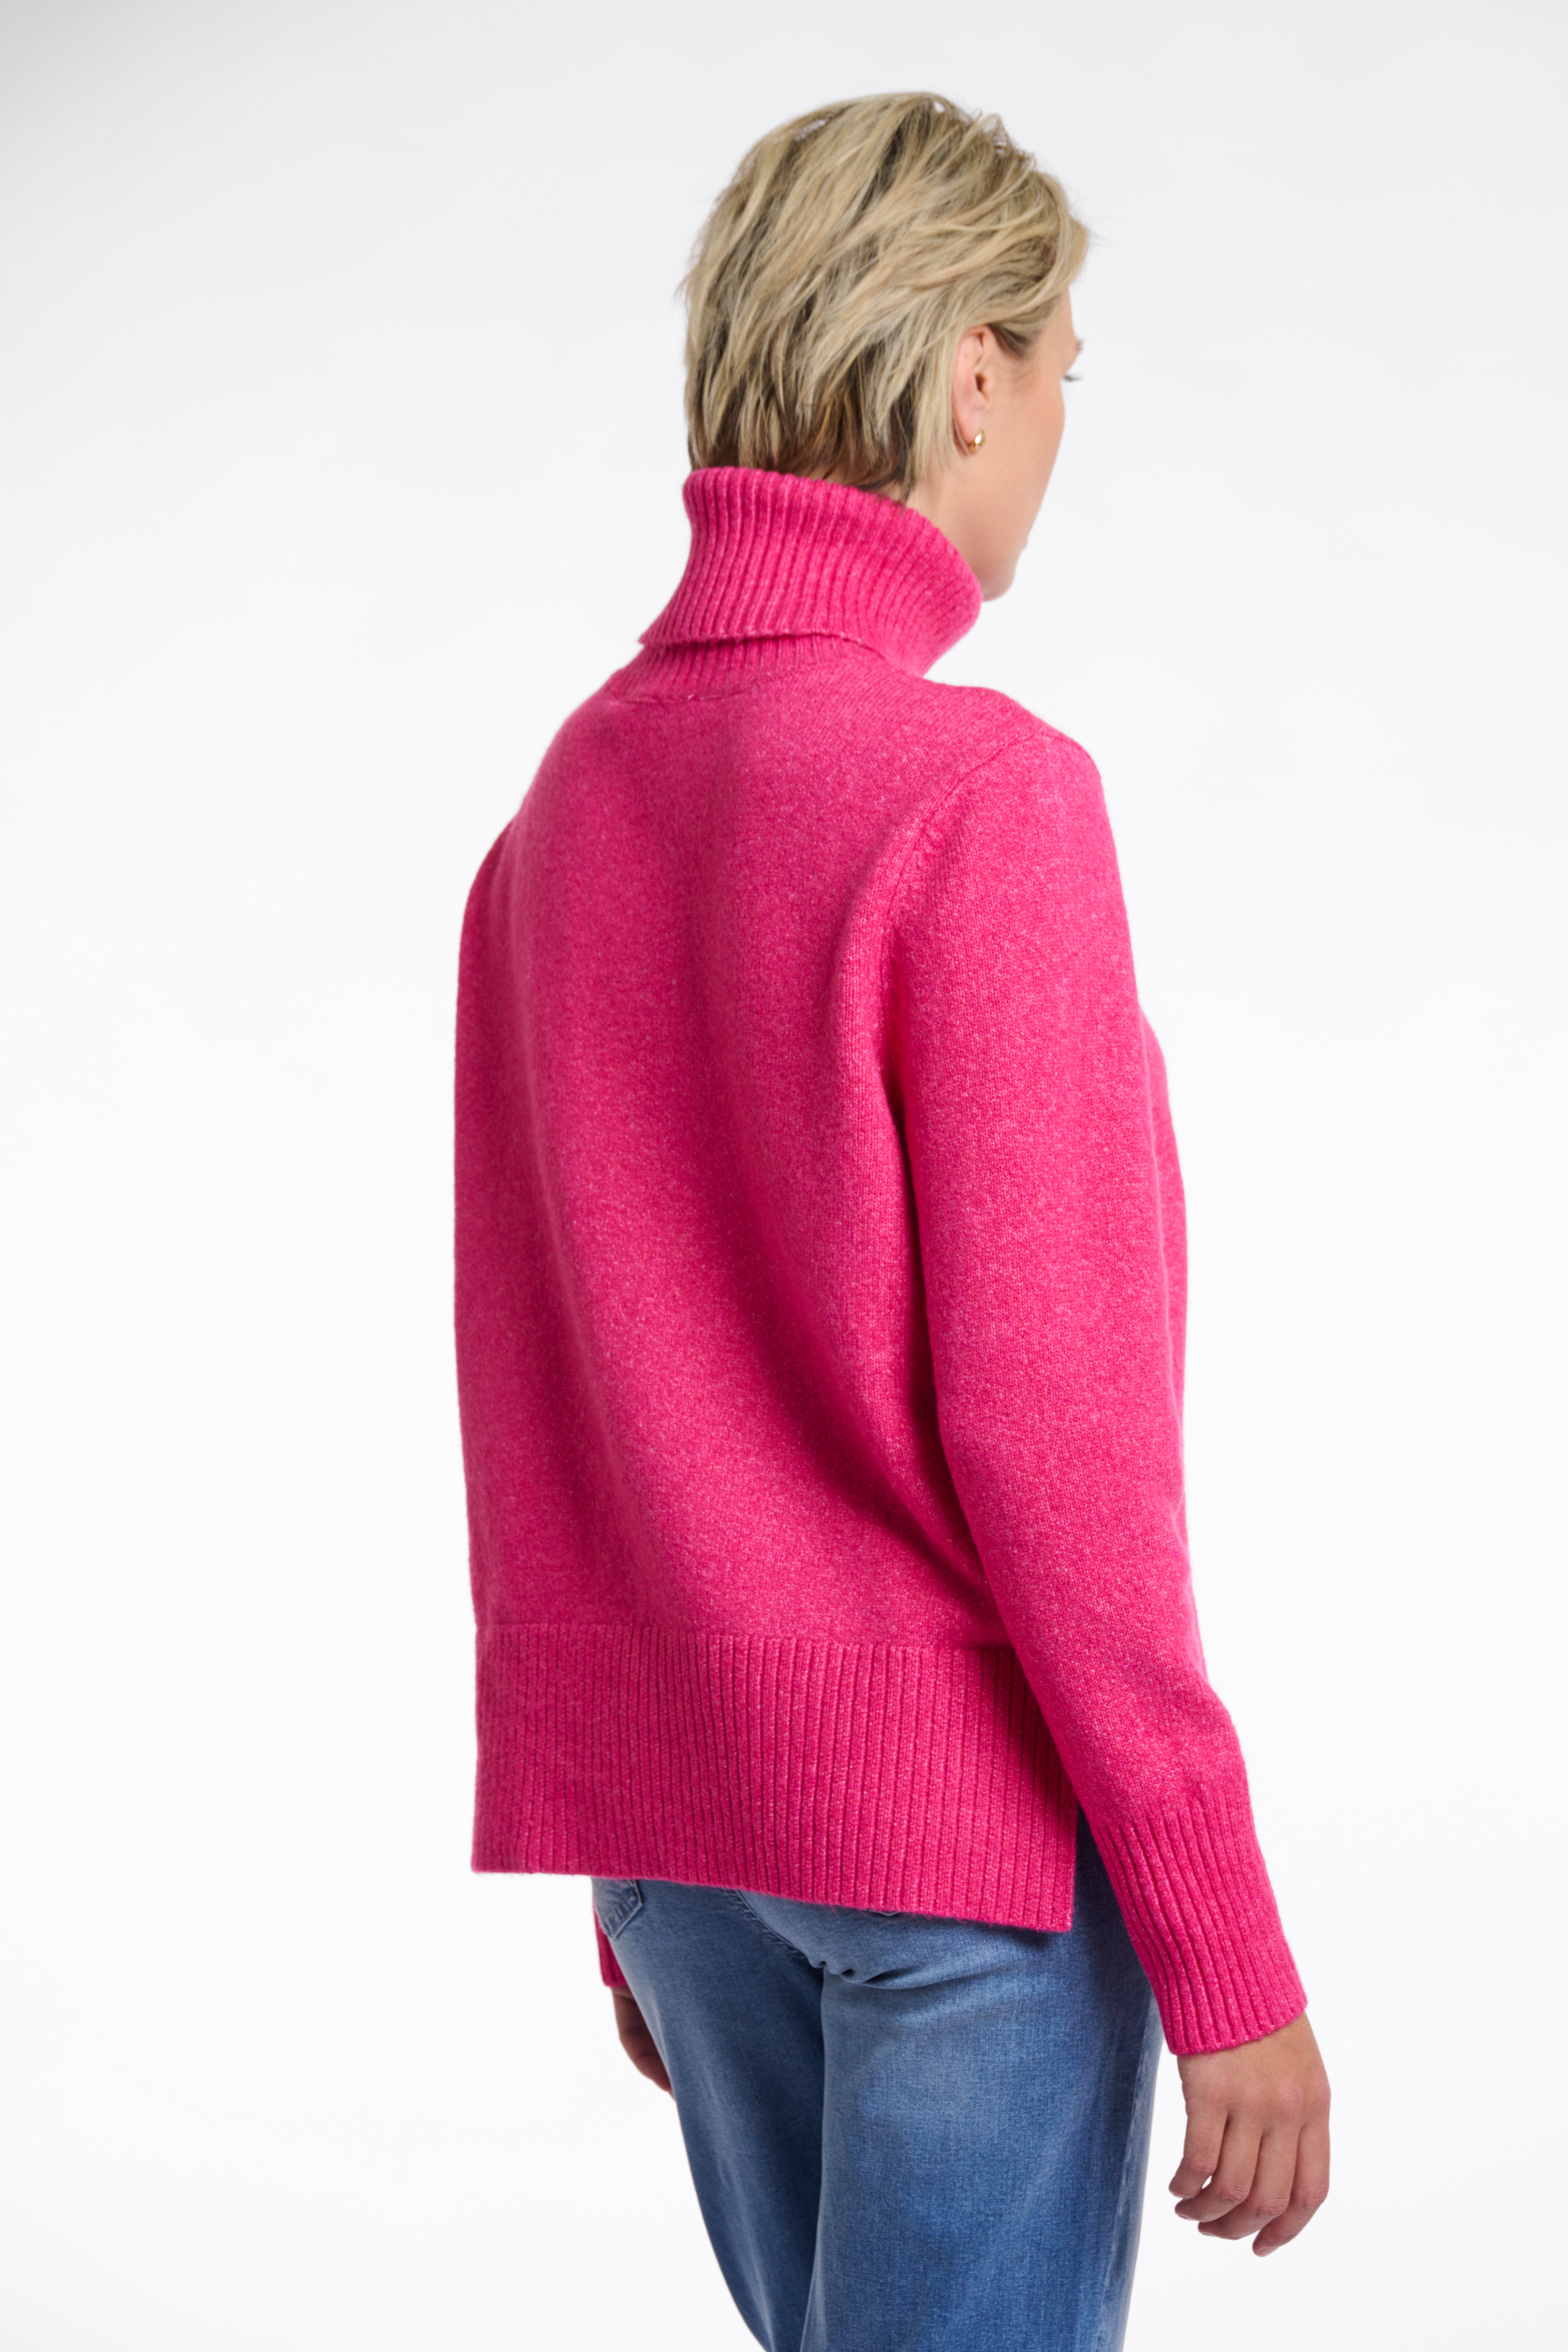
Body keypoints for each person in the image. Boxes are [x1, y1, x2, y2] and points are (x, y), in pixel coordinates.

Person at [454, 90, 1330, 2352]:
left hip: (689, 1861)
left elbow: (543, 1370)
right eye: (1062, 371)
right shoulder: (981, 803)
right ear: (968, 373)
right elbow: (1058, 1442)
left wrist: (640, 1862)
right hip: (963, 1869)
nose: (1061, 429)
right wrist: (1228, 1954)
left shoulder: (564, 811)